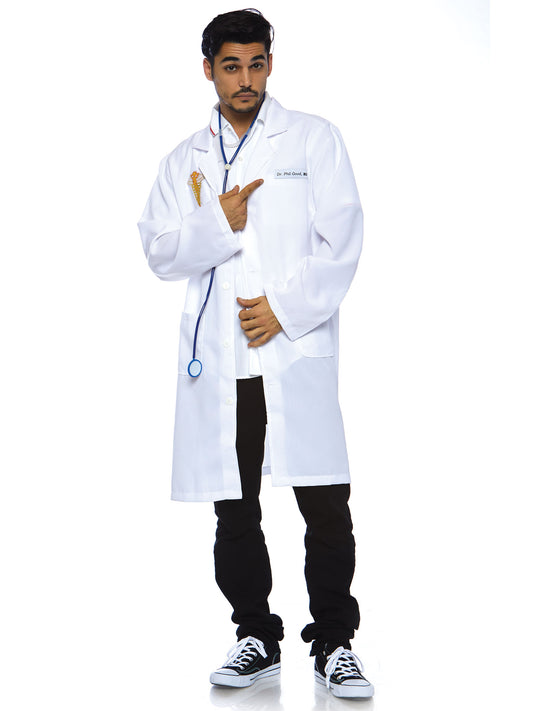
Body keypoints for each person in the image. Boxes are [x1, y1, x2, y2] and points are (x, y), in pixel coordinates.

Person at [138, 8, 373, 699]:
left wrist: (284, 310)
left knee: (324, 501)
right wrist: (219, 220)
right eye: (231, 66)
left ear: (270, 63)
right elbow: (159, 251)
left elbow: (343, 240)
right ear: (208, 70)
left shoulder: (313, 139)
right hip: (224, 363)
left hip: (291, 350)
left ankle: (335, 642)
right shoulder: (183, 159)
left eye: (256, 63)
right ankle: (255, 637)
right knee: (234, 508)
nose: (245, 79)